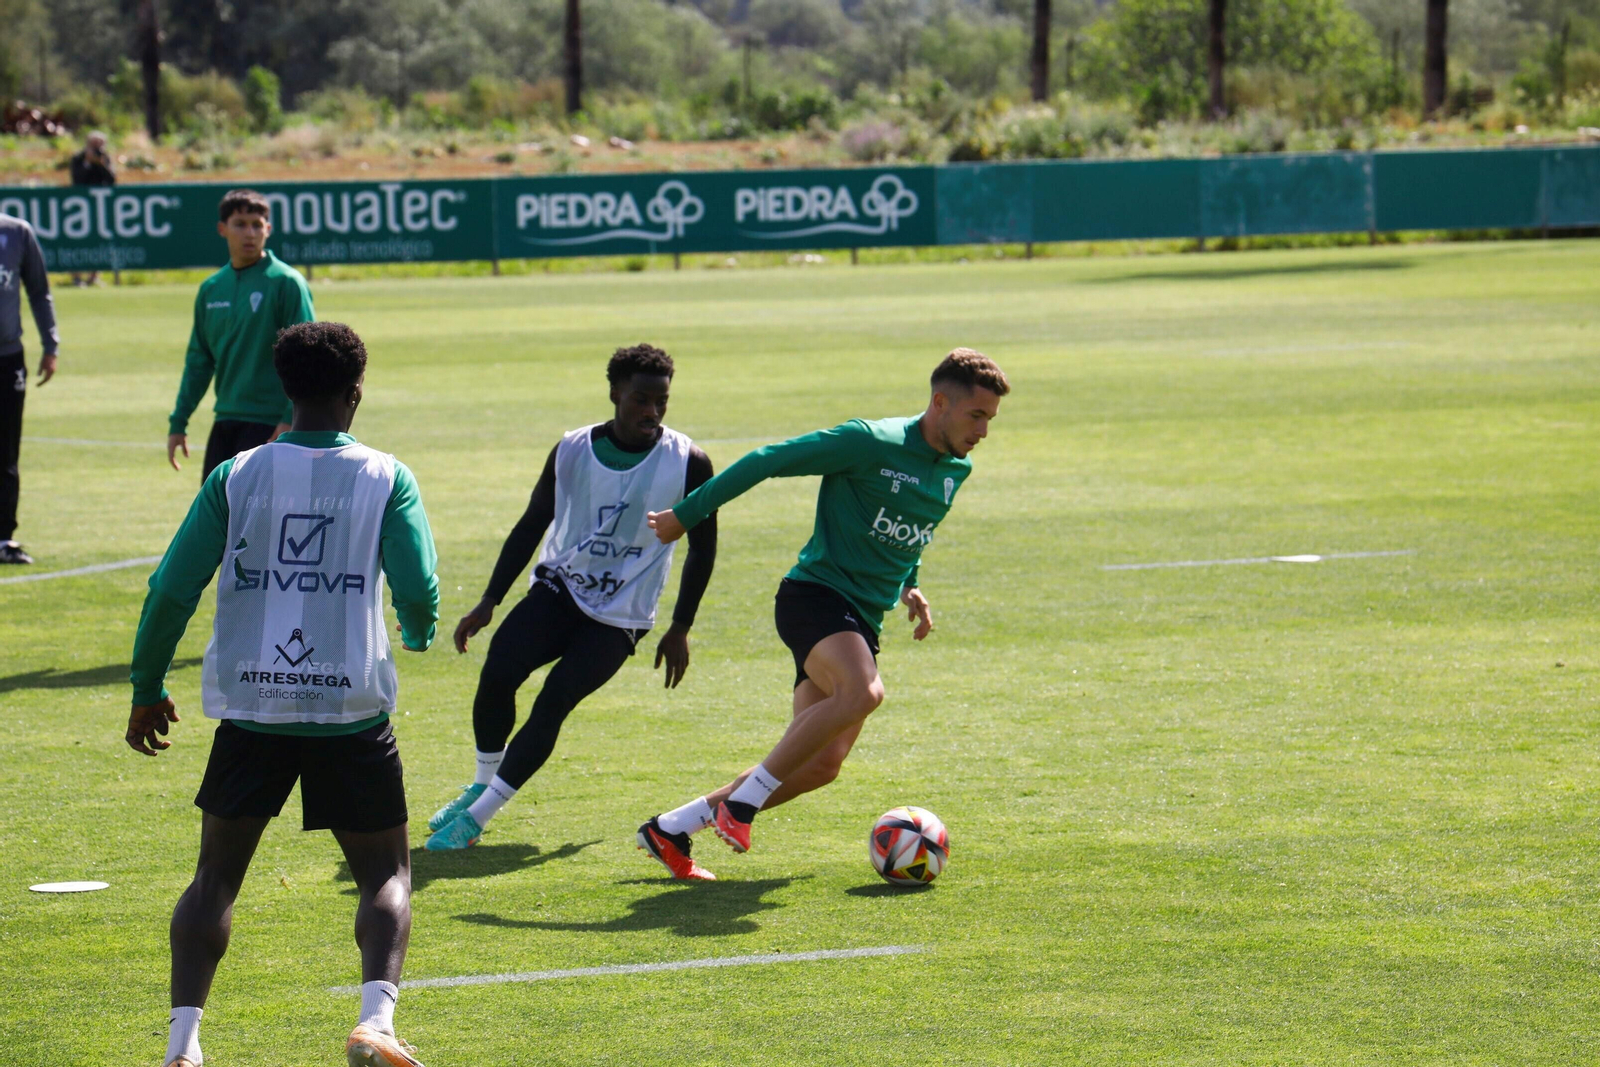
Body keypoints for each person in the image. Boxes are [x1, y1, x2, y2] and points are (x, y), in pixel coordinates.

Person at [126, 322, 439, 1067]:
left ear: (285, 392)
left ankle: (183, 1043)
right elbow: (419, 585)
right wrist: (419, 629)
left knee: (214, 879)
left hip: (252, 708)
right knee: (386, 875)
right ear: (355, 392)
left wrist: (147, 684)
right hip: (349, 710)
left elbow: (171, 587)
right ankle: (375, 1024)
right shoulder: (385, 474)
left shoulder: (235, 474)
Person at [637, 348, 1009, 874]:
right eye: (977, 416)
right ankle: (741, 806)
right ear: (940, 402)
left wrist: (912, 586)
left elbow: (912, 531)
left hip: (864, 620)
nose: (984, 432)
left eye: (991, 419)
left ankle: (671, 828)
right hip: (814, 598)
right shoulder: (868, 441)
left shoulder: (956, 467)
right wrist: (686, 513)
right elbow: (768, 461)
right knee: (864, 693)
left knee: (819, 764)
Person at [426, 344, 719, 876]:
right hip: (559, 591)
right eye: (640, 399)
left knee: (554, 701)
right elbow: (532, 521)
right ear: (614, 394)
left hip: (621, 618)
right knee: (497, 675)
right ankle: (479, 783)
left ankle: (478, 819)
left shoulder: (688, 462)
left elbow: (704, 545)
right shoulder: (572, 449)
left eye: (661, 401)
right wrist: (490, 598)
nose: (652, 412)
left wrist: (681, 626)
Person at [167, 188, 314, 482]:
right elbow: (199, 361)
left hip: (271, 425)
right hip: (225, 422)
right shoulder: (211, 288)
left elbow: (307, 356)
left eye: (257, 225)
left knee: (262, 524)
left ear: (268, 230)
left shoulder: (286, 282)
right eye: (240, 224)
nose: (250, 233)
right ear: (222, 229)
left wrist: (290, 419)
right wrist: (178, 422)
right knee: (217, 520)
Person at [0, 211, 60, 565]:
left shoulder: (16, 232)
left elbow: (39, 290)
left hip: (7, 359)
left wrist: (50, 344)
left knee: (6, 451)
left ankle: (4, 538)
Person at [68, 131, 115, 286]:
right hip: (78, 208)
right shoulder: (78, 159)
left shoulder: (104, 158)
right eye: (94, 143)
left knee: (98, 240)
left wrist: (101, 164)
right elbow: (77, 180)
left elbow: (111, 180)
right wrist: (87, 163)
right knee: (76, 241)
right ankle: (76, 277)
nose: (97, 147)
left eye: (100, 144)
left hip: (100, 206)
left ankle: (94, 277)